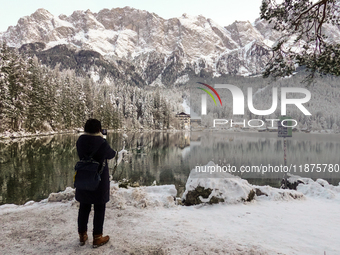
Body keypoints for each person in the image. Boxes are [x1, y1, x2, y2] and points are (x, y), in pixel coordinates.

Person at [75, 119, 116, 248]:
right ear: (99, 129)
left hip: (84, 176)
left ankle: (82, 235)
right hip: (99, 178)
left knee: (84, 206)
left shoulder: (80, 140)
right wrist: (103, 139)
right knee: (99, 207)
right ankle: (97, 237)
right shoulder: (102, 142)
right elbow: (111, 154)